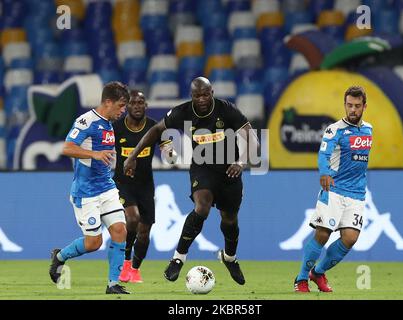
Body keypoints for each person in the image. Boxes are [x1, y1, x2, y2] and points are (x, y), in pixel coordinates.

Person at [123, 77, 259, 285]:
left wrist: (241, 163)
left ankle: (229, 258)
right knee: (201, 207)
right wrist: (133, 156)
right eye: (197, 95)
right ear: (192, 96)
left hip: (230, 170)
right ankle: (178, 257)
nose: (202, 99)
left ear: (212, 92)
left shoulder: (227, 110)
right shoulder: (182, 112)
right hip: (202, 169)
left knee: (230, 219)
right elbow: (156, 131)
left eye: (205, 94)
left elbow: (252, 138)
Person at [49, 81, 130, 294]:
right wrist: (94, 154)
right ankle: (59, 256)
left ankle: (113, 284)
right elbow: (67, 148)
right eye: (121, 106)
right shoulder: (86, 121)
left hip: (107, 188)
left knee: (120, 230)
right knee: (94, 243)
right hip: (86, 193)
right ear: (108, 102)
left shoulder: (110, 123)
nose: (123, 111)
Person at [294, 86, 373, 293]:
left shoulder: (368, 130)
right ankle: (301, 278)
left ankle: (317, 273)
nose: (353, 110)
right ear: (345, 105)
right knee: (322, 234)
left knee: (350, 238)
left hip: (356, 193)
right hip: (334, 189)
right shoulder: (334, 129)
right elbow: (324, 153)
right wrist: (324, 172)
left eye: (357, 106)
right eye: (349, 105)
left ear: (364, 106)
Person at [113, 90, 174, 283]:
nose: (137, 106)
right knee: (132, 218)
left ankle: (135, 269)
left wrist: (170, 154)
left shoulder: (154, 127)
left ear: (146, 105)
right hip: (123, 183)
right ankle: (125, 260)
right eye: (133, 103)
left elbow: (167, 150)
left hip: (146, 185)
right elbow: (105, 150)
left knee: (145, 231)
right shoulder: (116, 128)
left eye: (141, 102)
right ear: (127, 106)